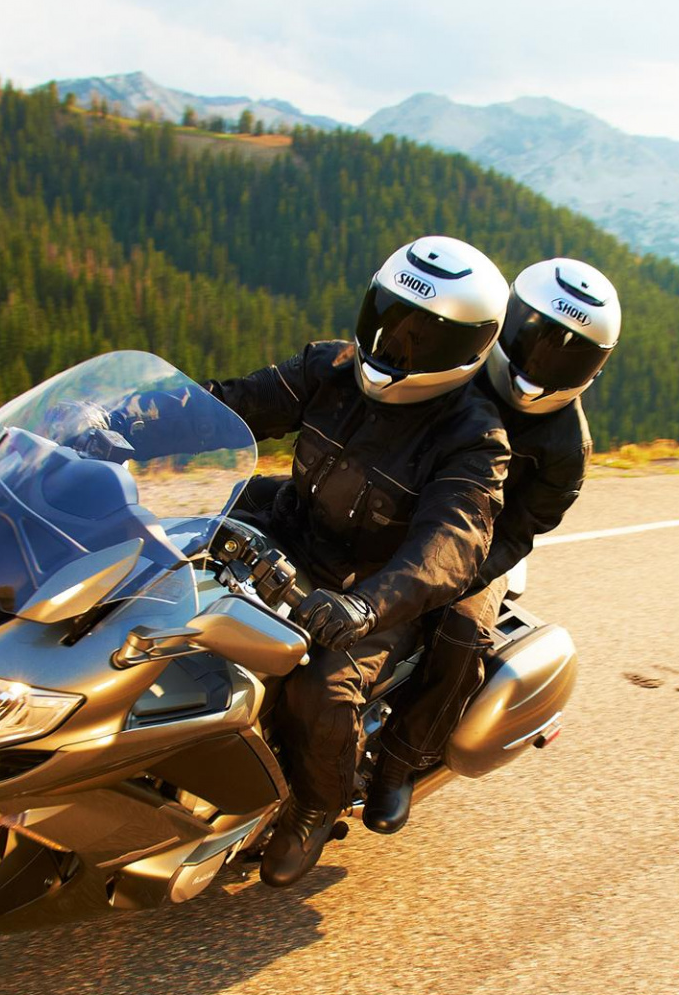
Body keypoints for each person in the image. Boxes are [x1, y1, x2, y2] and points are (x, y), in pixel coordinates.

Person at [174, 235, 513, 887]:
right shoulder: (330, 367)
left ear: (466, 349)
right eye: (385, 318)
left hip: (374, 588)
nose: (393, 345)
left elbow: (451, 545)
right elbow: (234, 403)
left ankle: (312, 805)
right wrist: (140, 414)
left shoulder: (473, 436)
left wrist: (368, 605)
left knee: (318, 688)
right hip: (292, 531)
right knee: (162, 558)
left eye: (421, 338)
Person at [363, 257, 623, 835]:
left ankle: (398, 765)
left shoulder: (565, 449)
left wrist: (455, 572)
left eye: (567, 355)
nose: (541, 363)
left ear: (592, 368)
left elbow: (519, 533)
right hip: (399, 502)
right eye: (533, 339)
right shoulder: (457, 365)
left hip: (480, 550)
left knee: (460, 630)